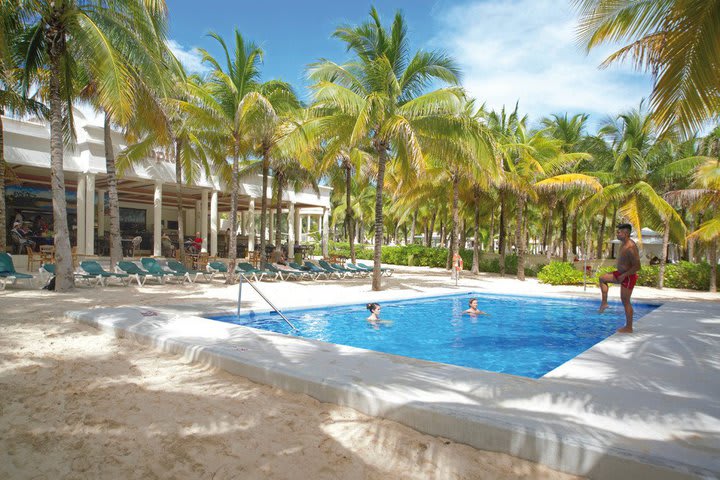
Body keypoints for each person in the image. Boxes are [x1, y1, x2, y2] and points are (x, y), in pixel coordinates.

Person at [598, 223, 641, 333]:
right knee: (602, 278)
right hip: (620, 274)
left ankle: (629, 327)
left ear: (626, 233)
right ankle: (604, 303)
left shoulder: (631, 247)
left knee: (625, 300)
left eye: (619, 232)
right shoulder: (623, 244)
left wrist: (624, 275)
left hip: (628, 276)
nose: (617, 234)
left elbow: (637, 266)